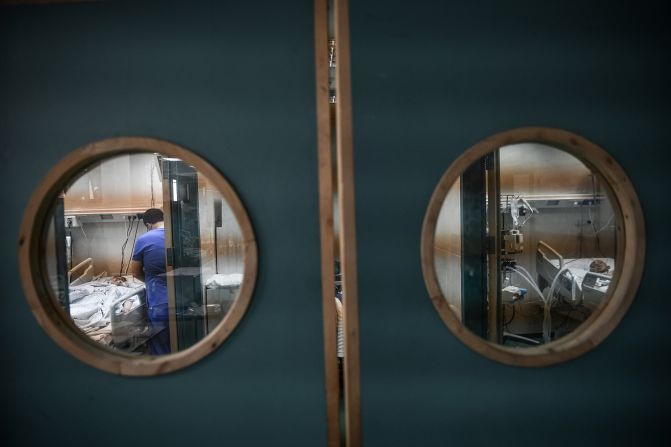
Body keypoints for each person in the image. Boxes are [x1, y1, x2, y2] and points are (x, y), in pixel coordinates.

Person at [130, 208, 171, 355]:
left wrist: (149, 280)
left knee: (160, 345)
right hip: (183, 298)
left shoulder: (144, 239)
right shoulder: (178, 235)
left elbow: (134, 272)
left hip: (159, 300)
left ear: (148, 224)